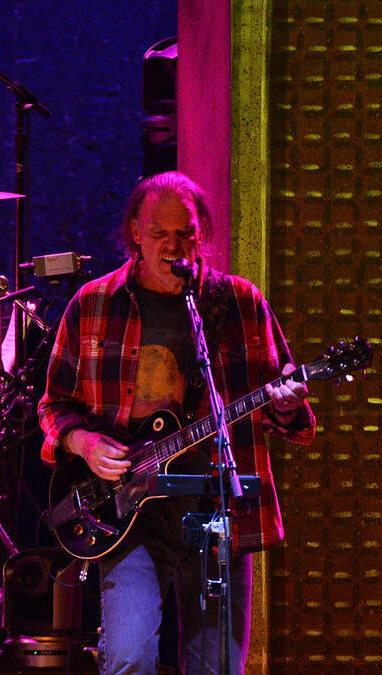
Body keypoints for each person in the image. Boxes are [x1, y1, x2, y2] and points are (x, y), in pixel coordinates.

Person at [37, 171, 314, 674]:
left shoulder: (240, 302)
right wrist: (82, 442)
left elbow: (283, 412)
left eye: (184, 233)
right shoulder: (93, 303)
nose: (173, 246)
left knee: (217, 667)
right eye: (159, 233)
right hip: (128, 513)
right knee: (128, 656)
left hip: (217, 508)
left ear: (200, 233)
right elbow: (54, 404)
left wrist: (287, 402)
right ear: (135, 233)